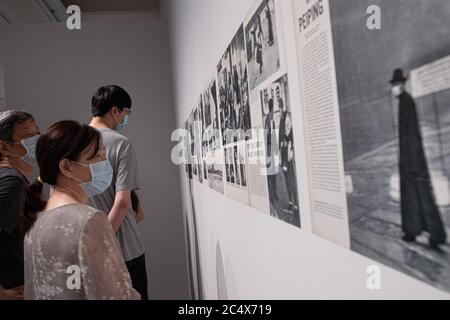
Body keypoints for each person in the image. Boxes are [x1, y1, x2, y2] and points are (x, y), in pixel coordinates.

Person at [22, 121, 139, 300]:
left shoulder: (36, 220)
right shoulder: (89, 221)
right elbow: (116, 295)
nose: (105, 163)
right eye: (98, 156)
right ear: (67, 167)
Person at [88, 85, 148, 299]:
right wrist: (103, 243)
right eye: (126, 113)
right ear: (115, 111)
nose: (126, 118)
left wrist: (91, 248)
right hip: (123, 250)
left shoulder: (71, 142)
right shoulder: (121, 143)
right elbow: (122, 203)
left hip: (85, 249)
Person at [390, 68, 447, 249]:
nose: (394, 88)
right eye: (393, 85)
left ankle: (436, 234)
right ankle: (413, 231)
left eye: (396, 85)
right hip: (409, 159)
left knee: (421, 194)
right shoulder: (403, 102)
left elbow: (413, 133)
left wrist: (413, 161)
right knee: (413, 195)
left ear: (402, 85)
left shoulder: (407, 102)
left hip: (413, 160)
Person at [0, 110, 40, 300]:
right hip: (13, 287)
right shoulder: (12, 181)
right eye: (27, 136)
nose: (36, 141)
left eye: (36, 134)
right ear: (4, 147)